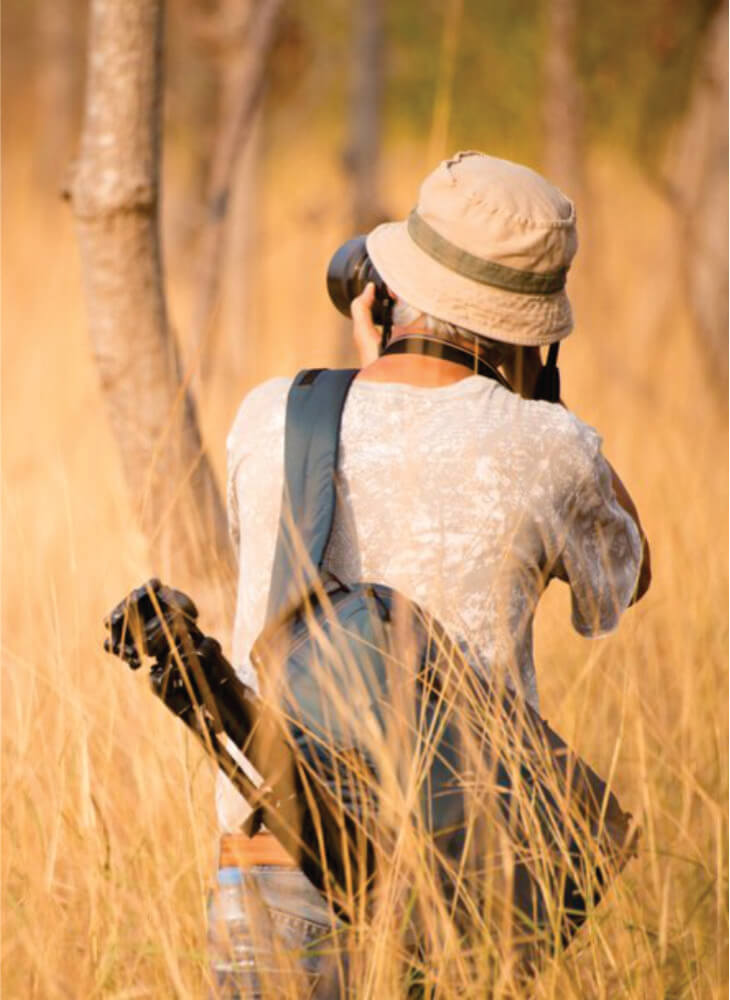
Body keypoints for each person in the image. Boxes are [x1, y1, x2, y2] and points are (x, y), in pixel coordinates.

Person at [211, 150, 651, 996]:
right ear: (531, 327)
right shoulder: (548, 449)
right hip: (457, 881)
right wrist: (543, 403)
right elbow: (627, 577)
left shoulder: (270, 417)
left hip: (267, 870)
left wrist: (371, 365)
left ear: (387, 292)